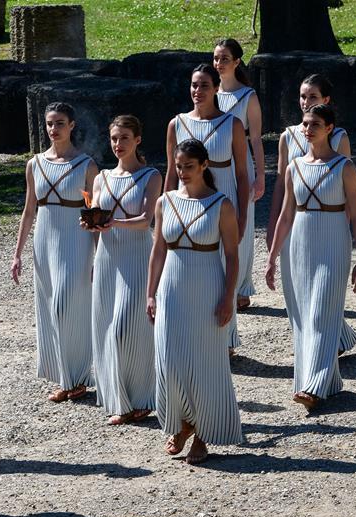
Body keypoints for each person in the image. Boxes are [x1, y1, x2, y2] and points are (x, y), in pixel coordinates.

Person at [266, 105, 356, 412]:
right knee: (303, 314)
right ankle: (328, 381)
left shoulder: (344, 167)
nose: (308, 129)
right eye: (305, 123)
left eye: (315, 124)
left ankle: (314, 385)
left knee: (322, 312)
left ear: (330, 129)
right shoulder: (294, 167)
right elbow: (285, 215)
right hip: (299, 247)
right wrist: (272, 258)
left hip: (333, 243)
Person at [148, 139, 243, 464]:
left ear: (204, 165)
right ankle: (184, 420)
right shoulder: (165, 202)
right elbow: (158, 250)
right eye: (178, 166)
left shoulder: (222, 205)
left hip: (207, 286)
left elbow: (232, 256)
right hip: (171, 289)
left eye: (189, 166)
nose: (183, 172)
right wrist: (150, 293)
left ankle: (203, 433)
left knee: (205, 362)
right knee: (169, 359)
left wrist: (228, 297)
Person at [11, 102, 99, 402]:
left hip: (75, 239)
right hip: (45, 238)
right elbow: (29, 209)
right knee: (50, 308)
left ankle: (76, 374)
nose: (54, 129)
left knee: (66, 305)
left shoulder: (86, 165)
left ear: (72, 125)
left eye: (60, 123)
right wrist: (18, 252)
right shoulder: (34, 164)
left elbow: (95, 210)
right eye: (49, 123)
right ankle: (68, 377)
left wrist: (99, 255)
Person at [268, 74, 356, 355]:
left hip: (325, 223)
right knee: (298, 292)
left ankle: (324, 343)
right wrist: (272, 227)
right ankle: (326, 340)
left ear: (326, 101)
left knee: (322, 289)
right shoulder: (287, 136)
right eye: (303, 96)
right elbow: (282, 185)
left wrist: (339, 234)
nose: (306, 102)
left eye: (313, 97)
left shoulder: (339, 137)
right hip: (294, 223)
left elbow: (341, 189)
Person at [166, 63, 249, 351]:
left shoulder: (232, 124)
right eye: (193, 85)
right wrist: (163, 210)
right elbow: (169, 172)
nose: (197, 91)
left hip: (222, 196)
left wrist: (242, 216)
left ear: (216, 88)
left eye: (203, 85)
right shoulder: (176, 124)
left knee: (223, 264)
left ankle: (225, 336)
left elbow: (241, 174)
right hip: (184, 201)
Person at [85, 115, 162, 425]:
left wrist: (112, 222)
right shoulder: (101, 178)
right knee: (106, 328)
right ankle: (123, 401)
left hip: (137, 256)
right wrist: (91, 225)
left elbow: (146, 219)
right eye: (115, 138)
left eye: (125, 138)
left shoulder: (150, 176)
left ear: (137, 140)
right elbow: (94, 218)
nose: (118, 144)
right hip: (107, 257)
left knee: (127, 327)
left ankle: (142, 395)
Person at [214, 38, 266, 311]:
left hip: (240, 162)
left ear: (236, 62)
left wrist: (260, 176)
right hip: (213, 164)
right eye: (216, 58)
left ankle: (242, 286)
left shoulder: (248, 96)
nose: (219, 63)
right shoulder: (209, 92)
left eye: (224, 58)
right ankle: (220, 282)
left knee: (241, 221)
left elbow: (256, 139)